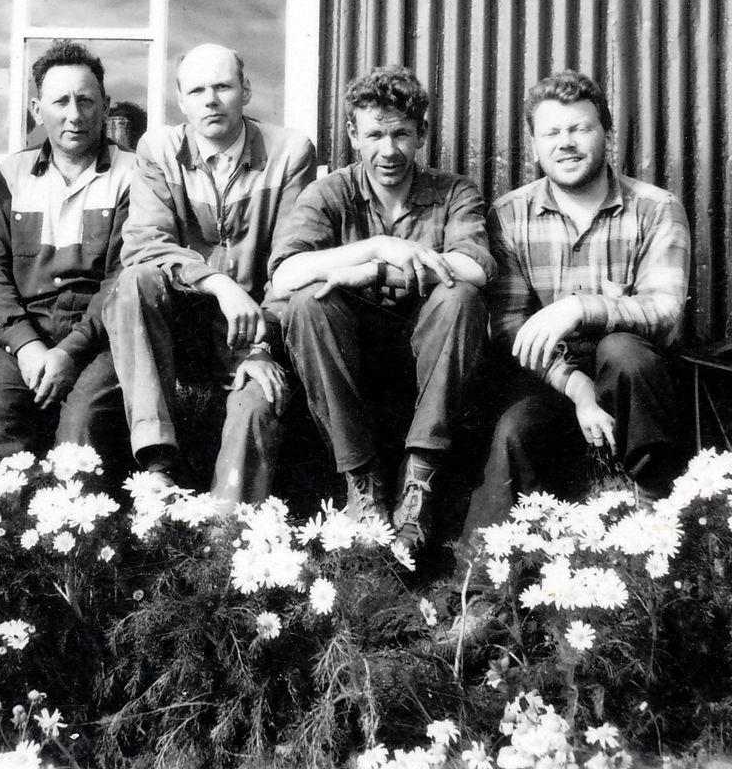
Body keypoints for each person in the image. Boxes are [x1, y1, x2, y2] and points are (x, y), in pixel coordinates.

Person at [458, 70, 691, 554]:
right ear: (535, 144)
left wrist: (580, 307)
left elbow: (666, 311)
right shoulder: (510, 215)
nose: (565, 143)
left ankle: (655, 509)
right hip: (552, 380)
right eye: (552, 133)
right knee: (515, 429)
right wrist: (577, 386)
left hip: (634, 386)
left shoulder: (655, 208)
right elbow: (509, 328)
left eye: (580, 128)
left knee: (623, 350)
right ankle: (486, 578)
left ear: (606, 133)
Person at [269, 66, 494, 556]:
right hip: (348, 359)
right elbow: (284, 275)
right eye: (374, 135)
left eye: (401, 134)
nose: (388, 150)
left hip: (428, 355)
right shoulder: (329, 193)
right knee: (307, 302)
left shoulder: (453, 191)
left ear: (422, 133)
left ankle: (419, 483)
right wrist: (376, 248)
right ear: (353, 134)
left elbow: (474, 268)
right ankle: (363, 483)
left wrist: (369, 273)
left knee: (460, 298)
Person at [104, 43, 316, 506]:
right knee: (134, 282)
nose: (211, 100)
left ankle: (226, 529)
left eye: (222, 86)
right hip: (183, 332)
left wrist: (261, 348)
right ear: (181, 101)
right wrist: (218, 284)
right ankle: (157, 464)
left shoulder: (289, 152)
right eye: (197, 90)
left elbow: (293, 262)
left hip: (258, 330)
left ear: (246, 91)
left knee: (257, 402)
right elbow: (143, 244)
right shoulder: (158, 149)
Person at [0, 40, 134, 477]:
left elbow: (122, 281)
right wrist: (27, 346)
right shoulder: (11, 175)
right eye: (61, 102)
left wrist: (69, 352)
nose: (74, 115)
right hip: (25, 335)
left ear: (105, 106)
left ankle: (77, 523)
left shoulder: (132, 175)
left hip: (100, 340)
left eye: (86, 100)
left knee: (82, 425)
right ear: (38, 110)